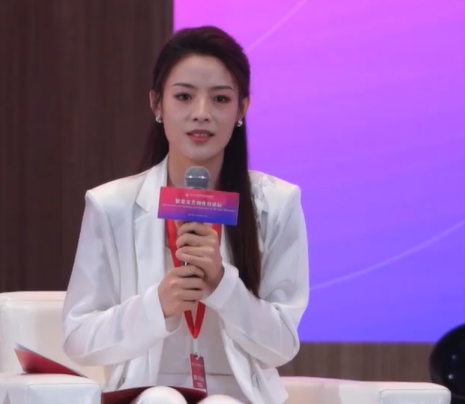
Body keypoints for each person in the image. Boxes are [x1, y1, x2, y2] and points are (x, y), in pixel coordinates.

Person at [61, 25, 309, 404]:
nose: (201, 114)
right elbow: (79, 338)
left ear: (242, 108)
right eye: (184, 96)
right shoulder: (111, 205)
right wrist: (158, 305)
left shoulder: (277, 203)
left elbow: (282, 346)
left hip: (239, 395)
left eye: (220, 99)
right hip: (146, 392)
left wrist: (222, 284)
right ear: (157, 104)